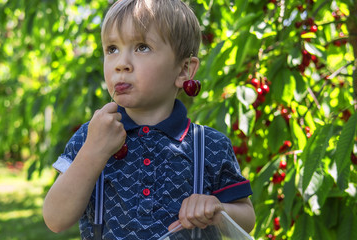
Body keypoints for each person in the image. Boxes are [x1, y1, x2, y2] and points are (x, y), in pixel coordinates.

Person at [43, 0, 256, 239]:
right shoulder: (90, 136)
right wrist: (93, 151)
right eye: (112, 49)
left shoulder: (209, 146)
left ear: (184, 70)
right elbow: (55, 219)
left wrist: (218, 210)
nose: (121, 64)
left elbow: (247, 217)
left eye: (142, 47)